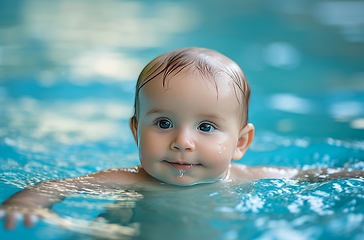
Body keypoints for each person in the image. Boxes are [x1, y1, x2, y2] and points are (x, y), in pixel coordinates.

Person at [1, 47, 363, 230]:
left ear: (240, 143)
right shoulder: (128, 180)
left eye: (206, 127)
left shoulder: (249, 178)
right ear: (135, 130)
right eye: (163, 123)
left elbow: (313, 176)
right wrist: (25, 202)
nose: (182, 141)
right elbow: (56, 186)